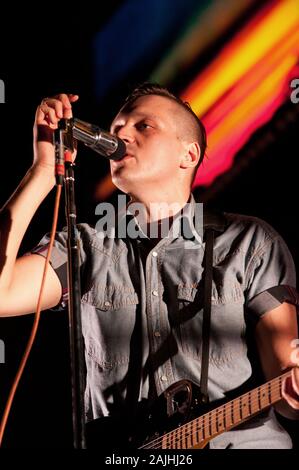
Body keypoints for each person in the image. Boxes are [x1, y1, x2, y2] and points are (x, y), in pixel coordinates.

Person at [0, 83, 299, 449]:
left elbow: (286, 390)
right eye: (118, 126)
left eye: (144, 126)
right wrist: (43, 171)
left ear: (188, 155)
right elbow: (2, 294)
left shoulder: (249, 242)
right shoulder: (85, 248)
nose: (120, 133)